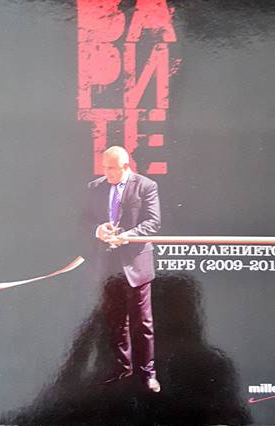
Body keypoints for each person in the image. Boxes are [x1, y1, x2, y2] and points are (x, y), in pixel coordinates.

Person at [86, 146, 161, 393]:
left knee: (142, 323)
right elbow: (84, 219)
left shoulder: (146, 186)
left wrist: (128, 236)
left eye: (111, 168)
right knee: (115, 321)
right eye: (104, 167)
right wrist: (98, 229)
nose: (106, 172)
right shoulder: (95, 187)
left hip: (136, 263)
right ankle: (121, 368)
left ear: (126, 166)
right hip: (108, 265)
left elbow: (153, 222)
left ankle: (147, 374)